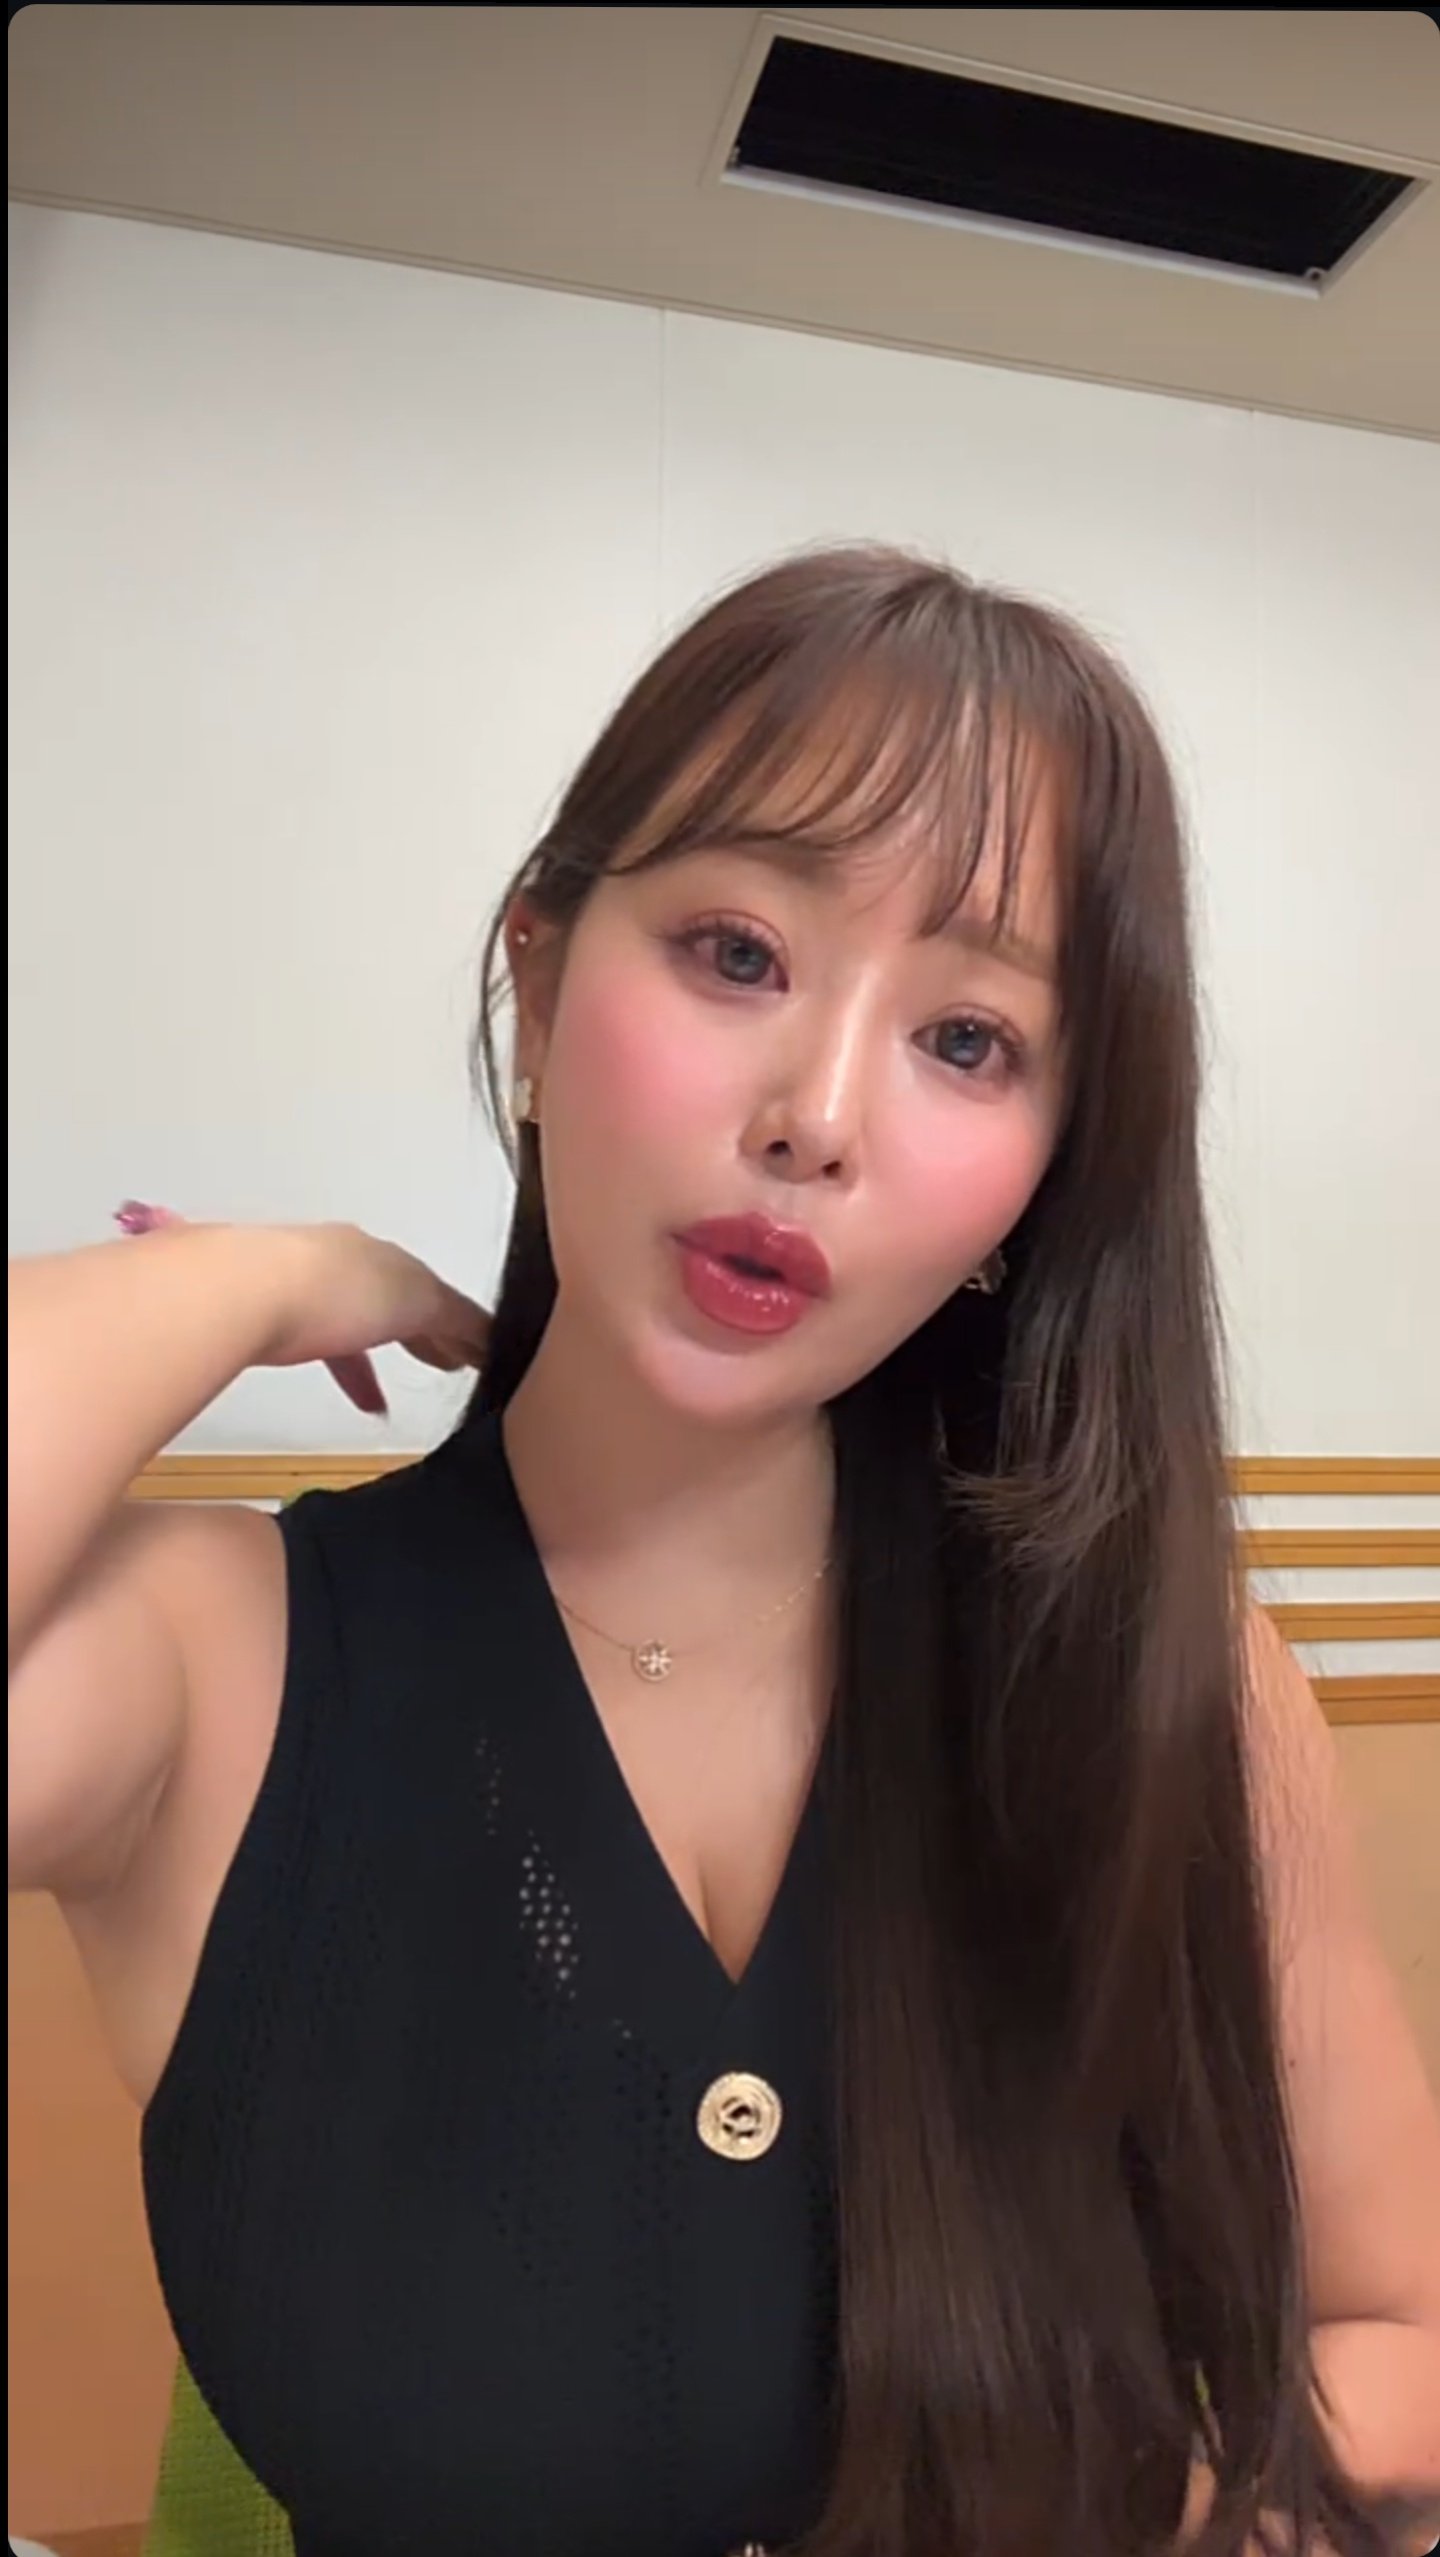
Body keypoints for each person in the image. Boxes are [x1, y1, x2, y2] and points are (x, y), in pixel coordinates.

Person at [8, 547, 1440, 2557]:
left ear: (1044, 1176)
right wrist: (260, 1277)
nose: (817, 1115)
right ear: (537, 983)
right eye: (739, 951)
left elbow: (1400, 2338)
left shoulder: (1163, 1686)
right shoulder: (216, 1662)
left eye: (969, 1039)